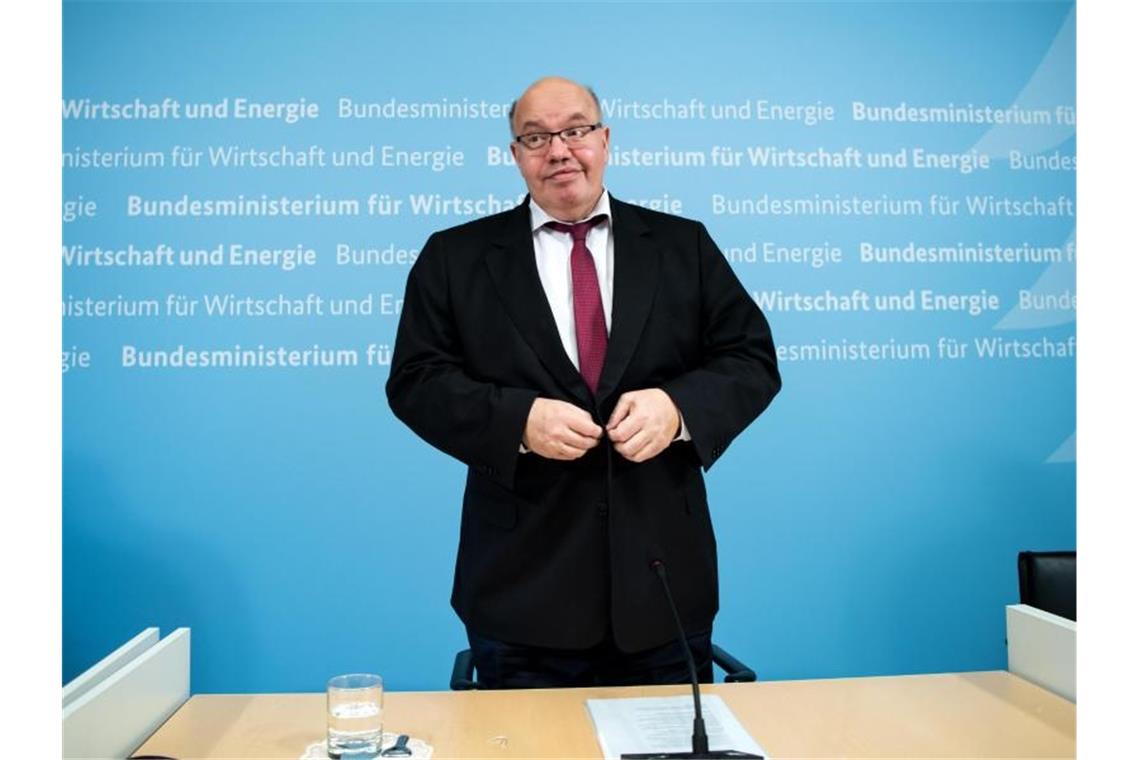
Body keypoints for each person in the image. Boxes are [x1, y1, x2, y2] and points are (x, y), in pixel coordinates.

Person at [386, 76, 780, 688]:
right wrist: (515, 420)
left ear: (605, 139)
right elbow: (416, 380)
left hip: (663, 586)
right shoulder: (455, 257)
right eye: (536, 137)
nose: (559, 150)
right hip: (521, 595)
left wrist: (678, 409)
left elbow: (750, 359)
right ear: (514, 154)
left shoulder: (683, 246)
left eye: (575, 130)